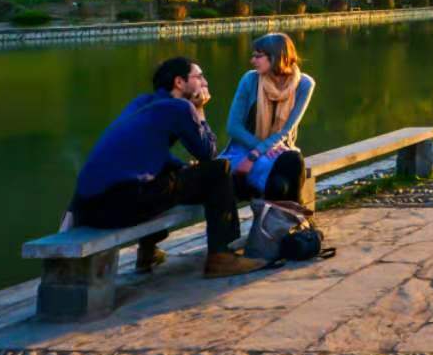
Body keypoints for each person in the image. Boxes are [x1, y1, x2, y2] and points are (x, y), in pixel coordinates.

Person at [70, 57, 262, 277]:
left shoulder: (141, 103)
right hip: (121, 204)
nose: (205, 82)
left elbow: (146, 153)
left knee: (165, 176)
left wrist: (181, 167)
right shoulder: (180, 107)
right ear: (179, 82)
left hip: (90, 208)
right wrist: (199, 110)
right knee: (219, 170)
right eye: (199, 77)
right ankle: (222, 257)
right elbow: (208, 153)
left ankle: (147, 252)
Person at [221, 33, 315, 204]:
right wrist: (259, 150)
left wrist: (258, 153)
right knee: (277, 181)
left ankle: (286, 222)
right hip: (244, 148)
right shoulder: (250, 79)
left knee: (292, 162)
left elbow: (287, 129)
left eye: (258, 56)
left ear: (277, 57)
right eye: (253, 56)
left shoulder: (304, 84)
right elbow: (233, 127)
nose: (253, 61)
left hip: (278, 147)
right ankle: (289, 220)